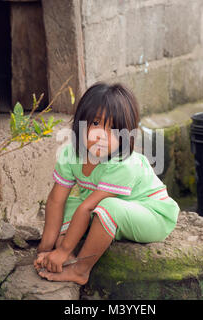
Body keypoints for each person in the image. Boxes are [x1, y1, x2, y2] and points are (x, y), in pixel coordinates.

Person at [33, 81, 180, 285]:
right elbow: (55, 201)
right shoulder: (71, 154)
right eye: (95, 124)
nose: (101, 136)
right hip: (106, 209)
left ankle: (80, 270)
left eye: (113, 129)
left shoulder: (124, 164)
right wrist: (46, 248)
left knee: (104, 206)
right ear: (80, 123)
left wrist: (64, 249)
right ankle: (63, 251)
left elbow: (89, 207)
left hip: (152, 214)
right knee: (69, 204)